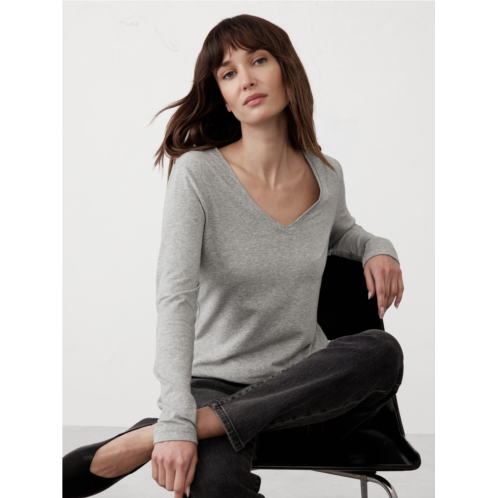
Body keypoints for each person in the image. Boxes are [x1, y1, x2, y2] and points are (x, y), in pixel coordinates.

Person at [62, 14, 405, 498]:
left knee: (381, 354)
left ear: (285, 69)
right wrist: (176, 413)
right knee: (216, 485)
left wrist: (377, 248)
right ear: (222, 96)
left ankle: (164, 432)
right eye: (228, 73)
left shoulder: (327, 174)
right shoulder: (197, 176)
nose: (246, 79)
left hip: (304, 386)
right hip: (217, 383)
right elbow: (175, 298)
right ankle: (198, 421)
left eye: (258, 61)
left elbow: (343, 232)